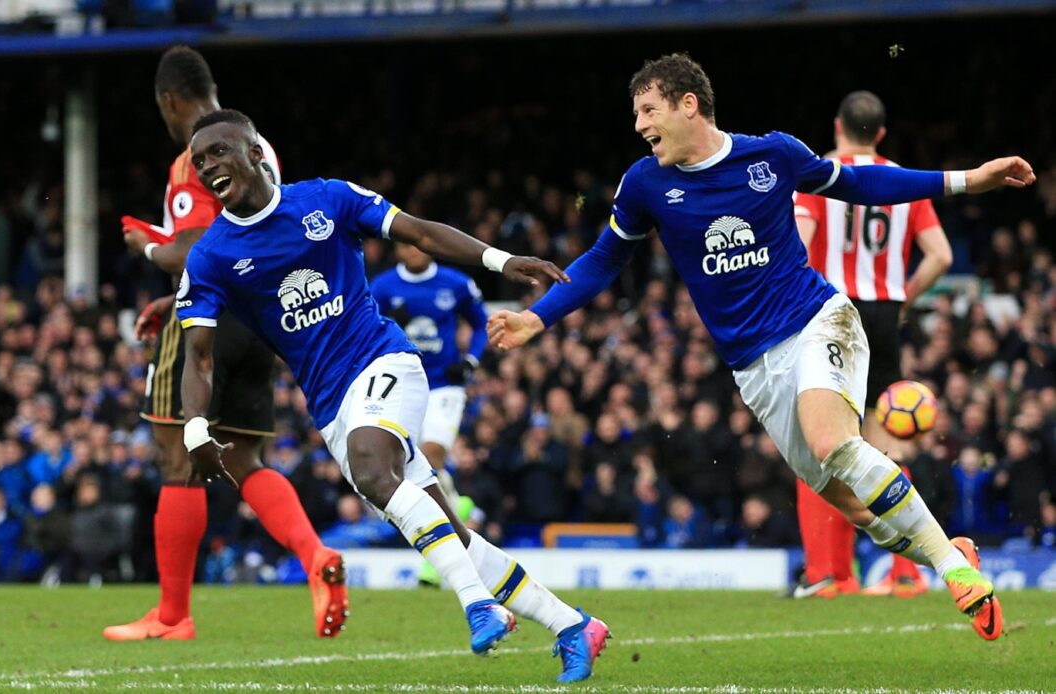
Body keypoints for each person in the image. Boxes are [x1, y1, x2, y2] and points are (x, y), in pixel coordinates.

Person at [489, 52, 1035, 642]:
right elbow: (604, 260)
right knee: (855, 508)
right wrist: (537, 319)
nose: (640, 125)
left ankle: (952, 570)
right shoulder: (645, 183)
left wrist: (966, 179)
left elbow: (860, 183)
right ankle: (947, 550)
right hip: (753, 368)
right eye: (637, 113)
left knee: (835, 444)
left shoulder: (771, 155)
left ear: (687, 104)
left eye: (648, 109)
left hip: (818, 320)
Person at [176, 109, 610, 682]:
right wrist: (194, 427)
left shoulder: (326, 200)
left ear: (257, 152)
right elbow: (198, 354)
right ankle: (572, 625)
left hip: (386, 361)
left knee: (374, 470)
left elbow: (421, 233)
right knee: (449, 532)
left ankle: (478, 605)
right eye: (198, 161)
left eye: (218, 152)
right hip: (330, 404)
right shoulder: (212, 255)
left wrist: (502, 262)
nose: (207, 167)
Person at [105, 46, 347, 642]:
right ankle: (315, 556)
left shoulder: (196, 157)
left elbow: (193, 250)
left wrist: (148, 248)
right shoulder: (256, 147)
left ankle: (171, 616)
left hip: (207, 323)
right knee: (242, 461)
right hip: (258, 320)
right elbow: (241, 241)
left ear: (168, 101)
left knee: (175, 457)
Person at [792, 90, 955, 599]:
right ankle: (906, 572)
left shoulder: (819, 174)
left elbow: (799, 244)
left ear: (837, 124)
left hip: (831, 313)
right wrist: (902, 297)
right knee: (887, 439)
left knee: (821, 442)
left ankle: (830, 573)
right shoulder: (901, 179)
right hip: (883, 314)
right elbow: (941, 255)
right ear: (880, 134)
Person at [370, 242, 488, 587]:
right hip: (403, 382)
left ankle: (436, 558)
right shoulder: (383, 287)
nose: (416, 251)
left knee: (433, 455)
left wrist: (470, 361)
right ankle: (456, 506)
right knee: (409, 466)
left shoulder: (455, 283)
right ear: (399, 251)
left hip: (444, 386)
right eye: (407, 245)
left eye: (421, 244)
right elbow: (366, 326)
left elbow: (481, 324)